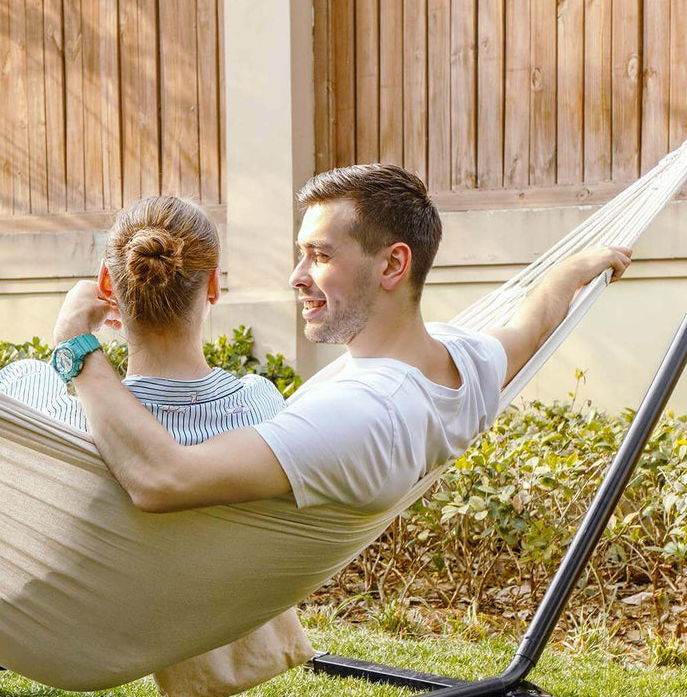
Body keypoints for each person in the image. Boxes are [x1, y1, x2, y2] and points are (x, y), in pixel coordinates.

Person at [0, 195, 309, 697]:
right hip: (188, 615)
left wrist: (71, 341)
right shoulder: (259, 405)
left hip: (59, 620)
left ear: (109, 288)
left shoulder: (39, 392)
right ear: (212, 288)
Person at [45, 163, 632, 519]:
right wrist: (568, 271)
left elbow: (162, 480)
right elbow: (528, 329)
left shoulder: (357, 416)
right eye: (302, 253)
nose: (297, 277)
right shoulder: (462, 363)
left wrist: (75, 346)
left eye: (320, 256)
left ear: (392, 265)